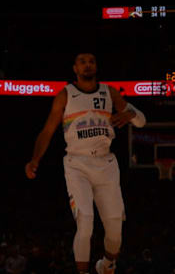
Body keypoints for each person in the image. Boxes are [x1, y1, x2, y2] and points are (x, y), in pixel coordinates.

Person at [25, 52, 146, 274]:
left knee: (115, 227)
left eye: (91, 61)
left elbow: (141, 120)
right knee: (85, 220)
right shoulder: (65, 95)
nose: (87, 65)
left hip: (106, 162)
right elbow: (47, 131)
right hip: (76, 163)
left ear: (96, 66)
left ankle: (108, 264)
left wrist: (129, 114)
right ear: (75, 69)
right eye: (83, 62)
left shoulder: (109, 91)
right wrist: (35, 159)